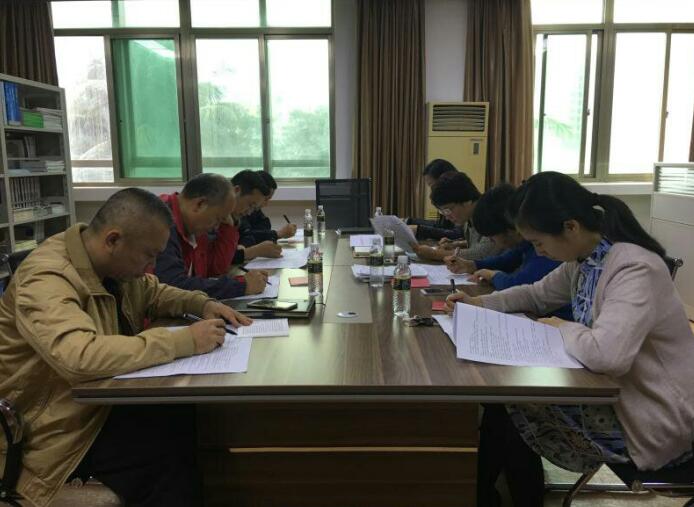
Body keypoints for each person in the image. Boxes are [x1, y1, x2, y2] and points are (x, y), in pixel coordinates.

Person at [446, 172, 694, 507]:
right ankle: (495, 496)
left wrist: (560, 327)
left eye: (539, 242)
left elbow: (607, 355)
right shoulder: (585, 260)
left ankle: (503, 497)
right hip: (617, 395)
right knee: (503, 403)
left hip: (654, 420)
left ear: (571, 227)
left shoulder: (634, 268)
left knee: (509, 405)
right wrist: (478, 303)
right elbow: (536, 295)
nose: (539, 251)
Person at [0, 188, 252, 507]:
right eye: (148, 255)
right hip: (51, 433)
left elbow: (154, 292)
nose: (152, 265)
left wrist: (201, 304)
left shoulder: (110, 266)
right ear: (113, 240)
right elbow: (79, 356)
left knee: (190, 419)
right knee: (166, 453)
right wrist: (185, 340)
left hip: (92, 408)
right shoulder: (46, 278)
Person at [443, 183, 567, 308]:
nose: (539, 250)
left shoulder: (549, 249)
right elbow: (508, 260)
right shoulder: (527, 243)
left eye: (492, 238)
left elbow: (518, 285)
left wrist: (494, 276)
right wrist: (473, 265)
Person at [156, 173, 269, 298]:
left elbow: (213, 271)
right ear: (200, 204)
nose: (216, 227)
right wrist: (241, 285)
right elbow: (172, 286)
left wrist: (228, 228)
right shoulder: (160, 221)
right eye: (217, 219)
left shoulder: (195, 225)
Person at [412, 171, 500, 262]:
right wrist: (457, 244)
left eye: (448, 210)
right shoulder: (469, 217)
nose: (447, 217)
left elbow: (483, 254)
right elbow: (478, 243)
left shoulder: (490, 213)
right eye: (443, 212)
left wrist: (435, 254)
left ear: (467, 201)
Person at [407, 159, 464, 241]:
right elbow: (442, 225)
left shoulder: (460, 201)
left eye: (433, 186)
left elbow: (458, 234)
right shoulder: (446, 200)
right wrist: (410, 221)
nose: (432, 191)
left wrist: (419, 230)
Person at [238, 171, 297, 247]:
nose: (266, 204)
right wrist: (277, 234)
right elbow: (245, 235)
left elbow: (264, 226)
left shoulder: (254, 211)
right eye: (265, 199)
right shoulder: (241, 211)